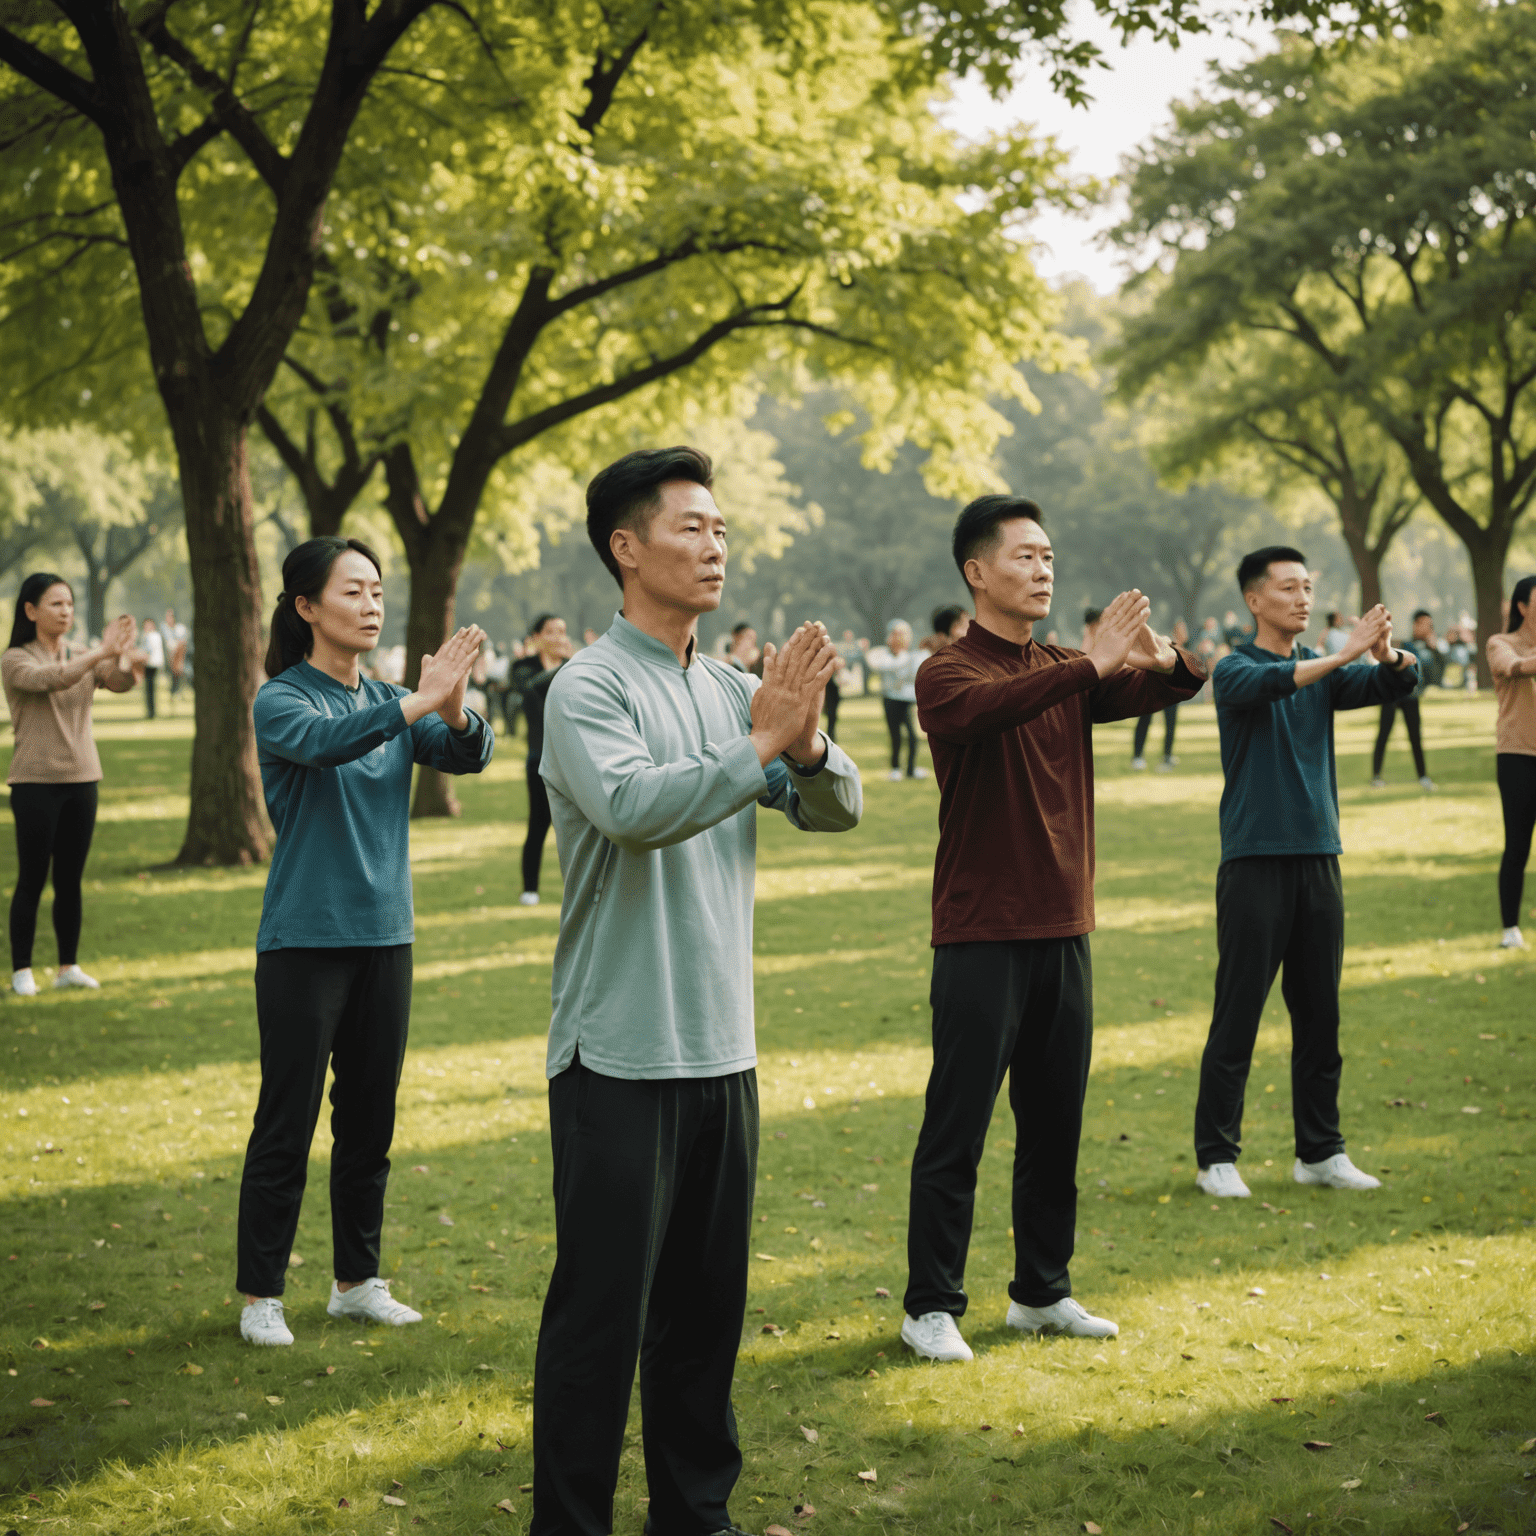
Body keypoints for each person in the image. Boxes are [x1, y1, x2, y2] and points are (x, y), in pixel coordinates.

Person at [530, 446, 861, 1536]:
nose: (715, 547)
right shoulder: (586, 686)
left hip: (725, 1050)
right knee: (600, 1323)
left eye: (722, 530)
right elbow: (631, 806)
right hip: (618, 1056)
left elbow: (836, 806)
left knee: (704, 1319)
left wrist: (803, 745)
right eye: (690, 529)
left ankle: (695, 1516)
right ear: (625, 550)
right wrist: (763, 741)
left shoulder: (732, 689)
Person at [902, 495, 1206, 1364]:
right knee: (956, 1127)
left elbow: (1178, 684)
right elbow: (997, 709)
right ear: (977, 571)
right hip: (978, 936)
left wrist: (1159, 657)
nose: (1043, 569)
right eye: (1025, 556)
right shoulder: (947, 673)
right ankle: (929, 1305)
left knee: (1054, 1125)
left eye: (1048, 556)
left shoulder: (1068, 665)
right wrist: (1093, 664)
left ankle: (1042, 1291)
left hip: (1063, 931)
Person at [236, 536, 493, 1349]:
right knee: (287, 1120)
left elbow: (469, 753)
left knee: (369, 1122)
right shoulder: (282, 700)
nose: (372, 604)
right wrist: (419, 702)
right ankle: (260, 1294)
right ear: (307, 606)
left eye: (378, 590)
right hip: (304, 941)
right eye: (353, 591)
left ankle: (357, 1282)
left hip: (387, 937)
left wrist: (451, 708)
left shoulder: (390, 699)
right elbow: (326, 744)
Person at [1193, 547, 1419, 1201]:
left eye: (1308, 586)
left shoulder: (1323, 672)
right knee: (1238, 1013)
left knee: (1320, 1014)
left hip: (1320, 859)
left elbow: (1402, 683)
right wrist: (1346, 653)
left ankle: (1319, 1151)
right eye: (1288, 587)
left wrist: (1387, 657)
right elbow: (1274, 685)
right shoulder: (1235, 667)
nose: (1302, 598)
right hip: (1253, 863)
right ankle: (1216, 1157)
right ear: (1254, 601)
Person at [3, 575, 139, 997]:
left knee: (70, 879)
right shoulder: (13, 660)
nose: (66, 611)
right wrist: (101, 651)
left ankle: (68, 966)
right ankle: (22, 970)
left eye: (70, 604)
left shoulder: (83, 655)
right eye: (56, 604)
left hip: (82, 781)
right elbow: (54, 678)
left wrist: (122, 659)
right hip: (35, 782)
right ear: (31, 611)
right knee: (31, 878)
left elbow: (119, 683)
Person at [1486, 575, 1536, 950]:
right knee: (1518, 844)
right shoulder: (1500, 643)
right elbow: (1515, 667)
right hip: (1518, 756)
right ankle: (1510, 929)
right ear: (1523, 606)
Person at [509, 613, 573, 905]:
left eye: (562, 631)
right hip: (539, 757)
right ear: (536, 637)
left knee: (575, 827)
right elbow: (530, 689)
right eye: (550, 631)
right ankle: (530, 888)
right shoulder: (524, 667)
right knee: (538, 824)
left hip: (573, 758)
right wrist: (569, 667)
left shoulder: (575, 670)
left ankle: (578, 889)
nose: (558, 637)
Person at [1371, 609, 1438, 790]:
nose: (1429, 627)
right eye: (1425, 623)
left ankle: (1423, 776)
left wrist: (1435, 649)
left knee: (1415, 736)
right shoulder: (1406, 644)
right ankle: (1376, 776)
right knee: (1384, 733)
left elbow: (1436, 676)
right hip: (1391, 695)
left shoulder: (1431, 648)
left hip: (1412, 697)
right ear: (1416, 624)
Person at [865, 618, 925, 781]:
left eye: (903, 634)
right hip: (890, 700)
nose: (899, 638)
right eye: (896, 634)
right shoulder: (883, 655)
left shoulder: (911, 656)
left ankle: (911, 769)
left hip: (907, 700)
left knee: (912, 736)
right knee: (895, 735)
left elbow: (915, 674)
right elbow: (883, 667)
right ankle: (896, 768)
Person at [1132, 617, 1190, 771]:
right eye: (1181, 630)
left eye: (1185, 630)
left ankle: (1167, 756)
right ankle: (1137, 756)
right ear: (1175, 630)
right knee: (1145, 721)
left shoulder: (1185, 648)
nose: (1185, 633)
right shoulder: (1166, 643)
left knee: (1170, 724)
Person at [162, 607, 189, 707]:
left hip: (179, 658)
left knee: (179, 676)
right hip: (169, 658)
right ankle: (174, 694)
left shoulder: (180, 628)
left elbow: (182, 644)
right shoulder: (165, 628)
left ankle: (178, 692)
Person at [139, 616, 164, 718]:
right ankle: (151, 711)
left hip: (150, 664)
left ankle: (151, 712)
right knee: (150, 689)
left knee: (150, 689)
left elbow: (147, 650)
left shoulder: (150, 636)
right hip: (152, 664)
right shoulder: (154, 635)